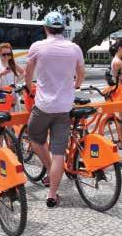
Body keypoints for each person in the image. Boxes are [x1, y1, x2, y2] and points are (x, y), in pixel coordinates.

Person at [25, 11, 85, 208]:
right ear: (63, 28)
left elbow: (28, 72)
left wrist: (28, 87)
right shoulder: (74, 48)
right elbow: (81, 74)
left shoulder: (38, 47)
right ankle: (52, 195)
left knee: (34, 137)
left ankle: (50, 169)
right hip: (64, 108)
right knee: (59, 151)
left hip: (43, 106)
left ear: (45, 27)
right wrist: (75, 86)